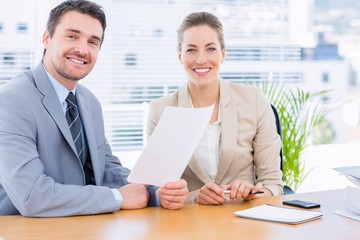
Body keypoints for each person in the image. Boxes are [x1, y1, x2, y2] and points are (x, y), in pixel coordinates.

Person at [0, 0, 187, 217]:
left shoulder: (89, 102)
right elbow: (32, 196)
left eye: (93, 42)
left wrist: (155, 192)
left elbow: (106, 169)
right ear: (46, 38)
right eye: (72, 36)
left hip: (85, 226)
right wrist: (117, 197)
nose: (82, 49)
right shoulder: (11, 101)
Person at [147, 12, 283, 205]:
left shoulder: (253, 100)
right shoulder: (160, 111)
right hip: (189, 224)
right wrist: (194, 196)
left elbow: (273, 184)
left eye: (210, 49)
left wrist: (252, 193)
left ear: (223, 54)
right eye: (191, 50)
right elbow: (157, 191)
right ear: (180, 56)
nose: (201, 59)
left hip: (245, 219)